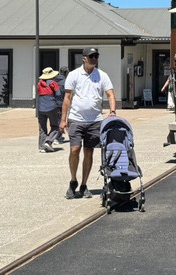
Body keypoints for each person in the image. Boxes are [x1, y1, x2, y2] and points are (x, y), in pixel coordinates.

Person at [60, 47, 117, 199]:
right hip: (76, 119)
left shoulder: (102, 76)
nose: (94, 58)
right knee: (74, 150)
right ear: (84, 58)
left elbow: (110, 95)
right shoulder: (74, 75)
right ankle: (73, 181)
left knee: (89, 152)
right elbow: (67, 98)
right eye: (91, 56)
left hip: (95, 121)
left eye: (96, 56)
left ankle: (84, 185)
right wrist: (63, 120)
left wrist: (112, 112)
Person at [36, 67, 63, 152]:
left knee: (42, 128)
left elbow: (39, 93)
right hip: (51, 107)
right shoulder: (53, 83)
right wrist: (59, 107)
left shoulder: (39, 83)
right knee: (55, 126)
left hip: (41, 108)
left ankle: (41, 147)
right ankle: (49, 141)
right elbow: (58, 95)